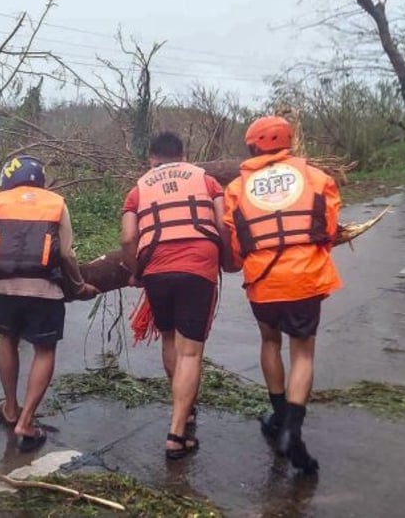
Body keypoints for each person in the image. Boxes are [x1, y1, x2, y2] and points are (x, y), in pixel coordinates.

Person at [223, 116, 342, 474]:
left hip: (263, 281)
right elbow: (329, 231)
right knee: (302, 352)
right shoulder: (317, 177)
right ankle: (292, 428)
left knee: (269, 342)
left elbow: (235, 242)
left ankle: (278, 418)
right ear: (288, 143)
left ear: (252, 146)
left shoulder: (236, 188)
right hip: (305, 277)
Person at [120, 132, 229, 459]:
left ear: (151, 158)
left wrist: (135, 271)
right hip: (198, 264)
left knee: (169, 339)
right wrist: (229, 258)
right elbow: (223, 225)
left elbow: (128, 237)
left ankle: (184, 409)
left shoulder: (137, 189)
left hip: (156, 267)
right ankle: (177, 433)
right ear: (183, 155)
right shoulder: (207, 180)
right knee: (191, 353)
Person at [0, 155, 98, 452]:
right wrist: (79, 286)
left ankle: (10, 408)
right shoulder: (56, 204)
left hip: (1, 288)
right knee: (44, 350)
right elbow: (67, 254)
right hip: (43, 289)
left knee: (7, 338)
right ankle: (27, 421)